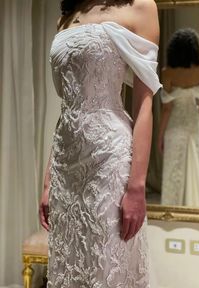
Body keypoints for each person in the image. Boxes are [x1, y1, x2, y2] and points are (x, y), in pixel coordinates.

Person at [39, 0, 161, 287]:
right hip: (66, 162)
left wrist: (137, 186)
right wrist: (48, 181)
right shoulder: (69, 15)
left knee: (107, 264)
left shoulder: (141, 7)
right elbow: (66, 107)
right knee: (70, 261)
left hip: (109, 157)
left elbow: (144, 103)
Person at [158, 28, 199, 207]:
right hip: (193, 123)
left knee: (173, 166)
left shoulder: (167, 72)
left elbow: (166, 110)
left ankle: (171, 207)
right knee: (195, 164)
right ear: (195, 49)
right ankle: (195, 209)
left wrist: (160, 136)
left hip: (174, 125)